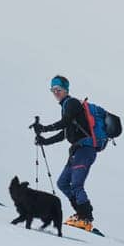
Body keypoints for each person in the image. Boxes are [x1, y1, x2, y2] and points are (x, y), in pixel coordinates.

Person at [34, 75, 98, 231]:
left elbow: (65, 123)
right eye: (53, 90)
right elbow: (65, 133)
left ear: (66, 90)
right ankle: (80, 214)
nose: (55, 92)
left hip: (85, 149)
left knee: (76, 184)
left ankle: (86, 218)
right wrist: (44, 141)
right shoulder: (66, 107)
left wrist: (44, 128)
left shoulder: (72, 104)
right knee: (62, 183)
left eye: (58, 89)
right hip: (77, 150)